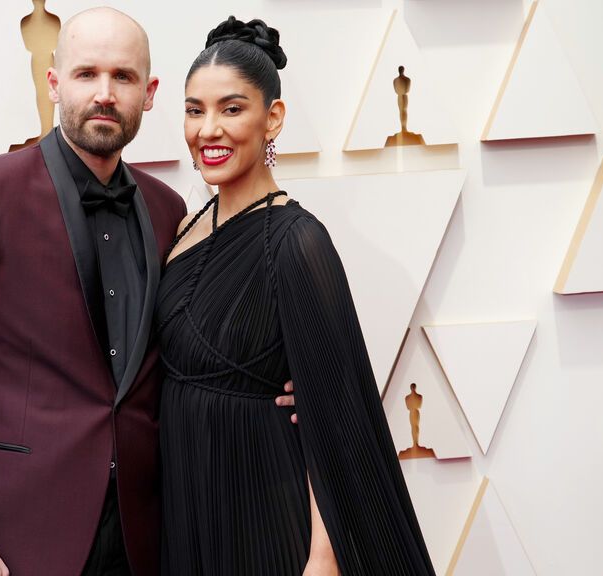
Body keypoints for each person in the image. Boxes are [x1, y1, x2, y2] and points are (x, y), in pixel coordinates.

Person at [0, 8, 296, 576]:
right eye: (87, 74)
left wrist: (283, 391)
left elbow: (188, 352)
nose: (105, 94)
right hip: (16, 541)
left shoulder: (171, 212)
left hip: (149, 536)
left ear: (150, 92)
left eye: (124, 77)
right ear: (55, 83)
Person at [157, 16, 436, 575]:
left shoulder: (297, 241)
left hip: (263, 510)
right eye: (194, 110)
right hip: (186, 505)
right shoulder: (184, 227)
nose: (208, 129)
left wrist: (322, 559)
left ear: (273, 118)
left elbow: (335, 419)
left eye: (231, 109)